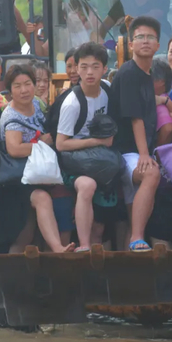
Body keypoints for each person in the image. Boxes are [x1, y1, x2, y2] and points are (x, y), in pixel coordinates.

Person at [1, 64, 75, 253]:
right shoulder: (11, 116)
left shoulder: (36, 104)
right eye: (17, 86)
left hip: (41, 174)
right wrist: (41, 144)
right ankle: (58, 248)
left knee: (31, 233)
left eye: (27, 84)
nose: (24, 90)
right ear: (10, 91)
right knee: (29, 224)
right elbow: (14, 149)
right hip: (20, 179)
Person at [109, 16, 162, 252]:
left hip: (136, 150)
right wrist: (143, 154)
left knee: (135, 209)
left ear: (158, 45)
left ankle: (131, 252)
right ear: (130, 45)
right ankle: (137, 238)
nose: (145, 41)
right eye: (139, 37)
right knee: (151, 174)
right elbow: (135, 118)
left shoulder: (147, 74)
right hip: (125, 151)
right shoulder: (129, 73)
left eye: (150, 37)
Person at [56, 43, 115, 252]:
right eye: (84, 66)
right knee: (88, 185)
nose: (89, 72)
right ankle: (84, 245)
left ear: (105, 69)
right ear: (77, 68)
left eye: (96, 66)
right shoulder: (72, 103)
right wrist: (98, 142)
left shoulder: (107, 89)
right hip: (74, 161)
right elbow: (61, 144)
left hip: (99, 157)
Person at [151, 58, 172, 146]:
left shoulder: (159, 101)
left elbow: (168, 128)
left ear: (160, 82)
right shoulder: (164, 98)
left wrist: (157, 150)